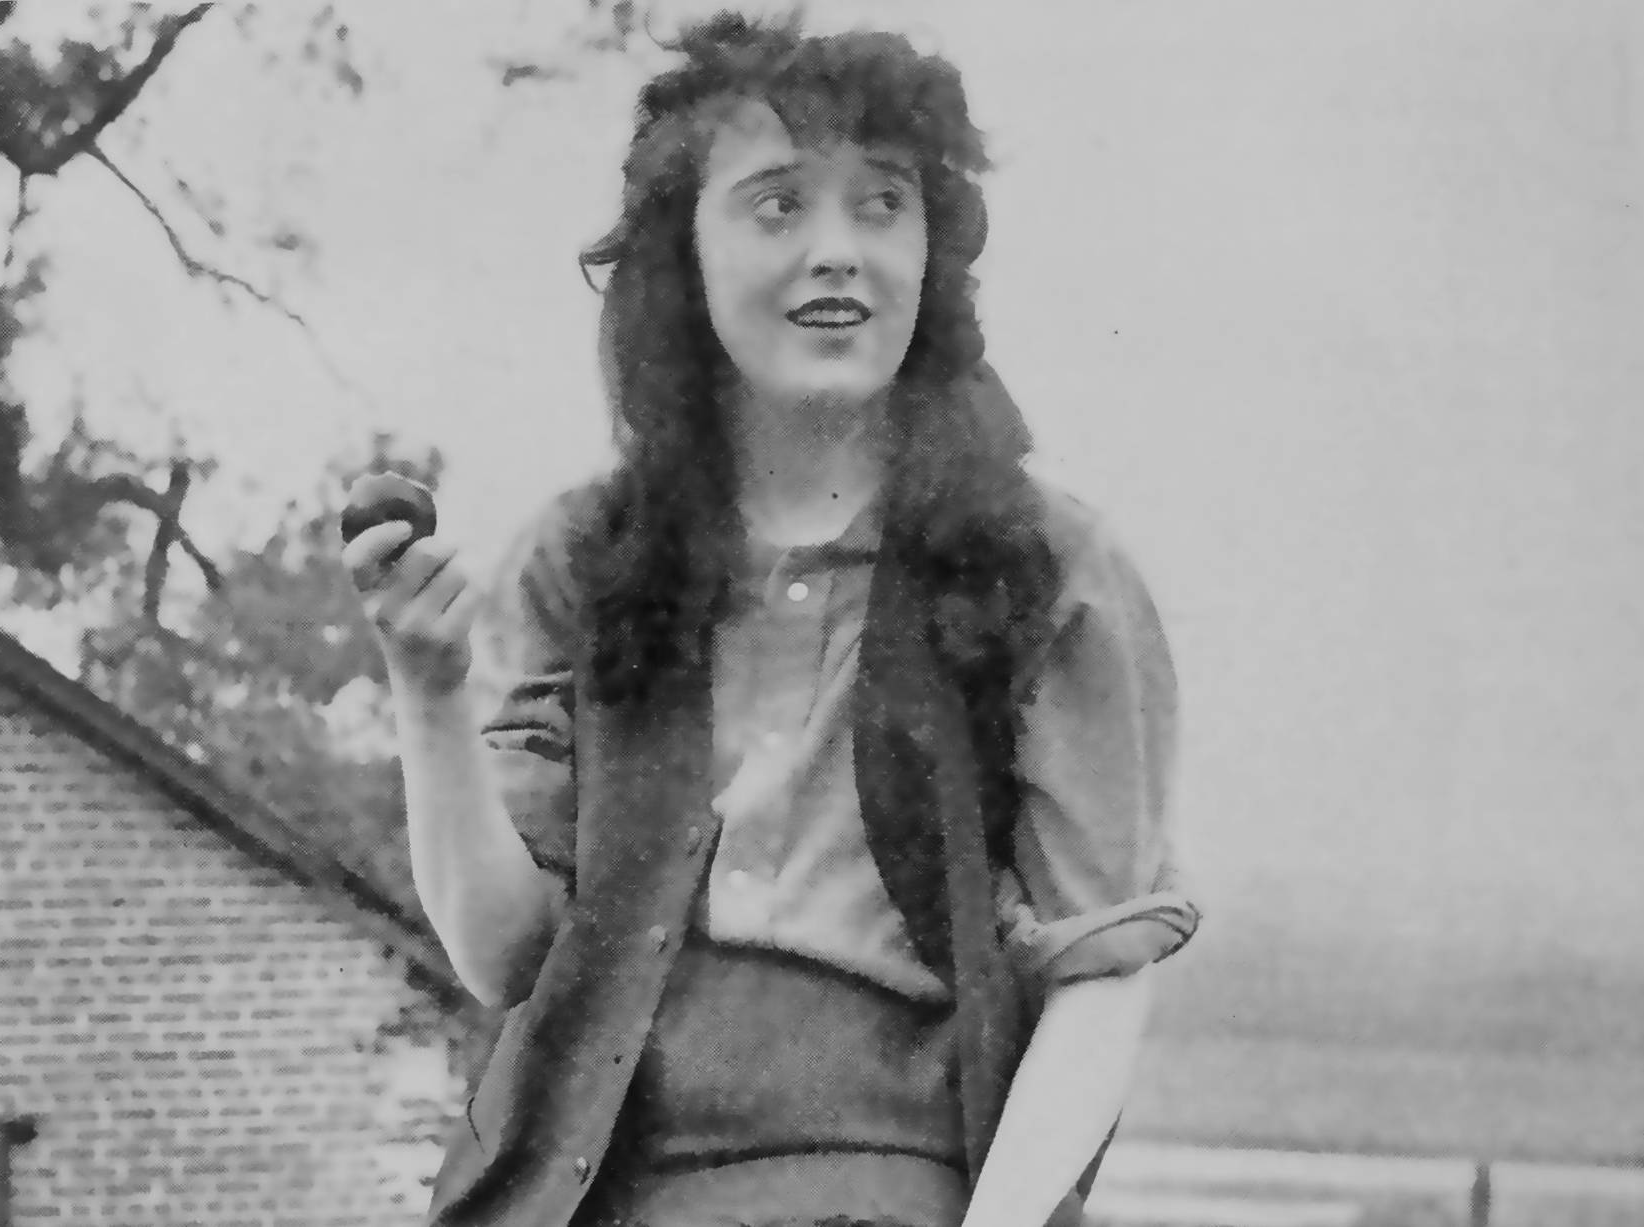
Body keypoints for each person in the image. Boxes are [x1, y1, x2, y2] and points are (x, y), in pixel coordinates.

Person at [341, 12, 1200, 1227]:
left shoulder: (1048, 571)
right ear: (681, 258)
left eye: (883, 203)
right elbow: (505, 959)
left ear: (934, 253)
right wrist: (426, 693)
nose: (839, 253)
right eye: (778, 204)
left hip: (885, 1189)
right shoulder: (584, 559)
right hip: (589, 1191)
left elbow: (1099, 980)